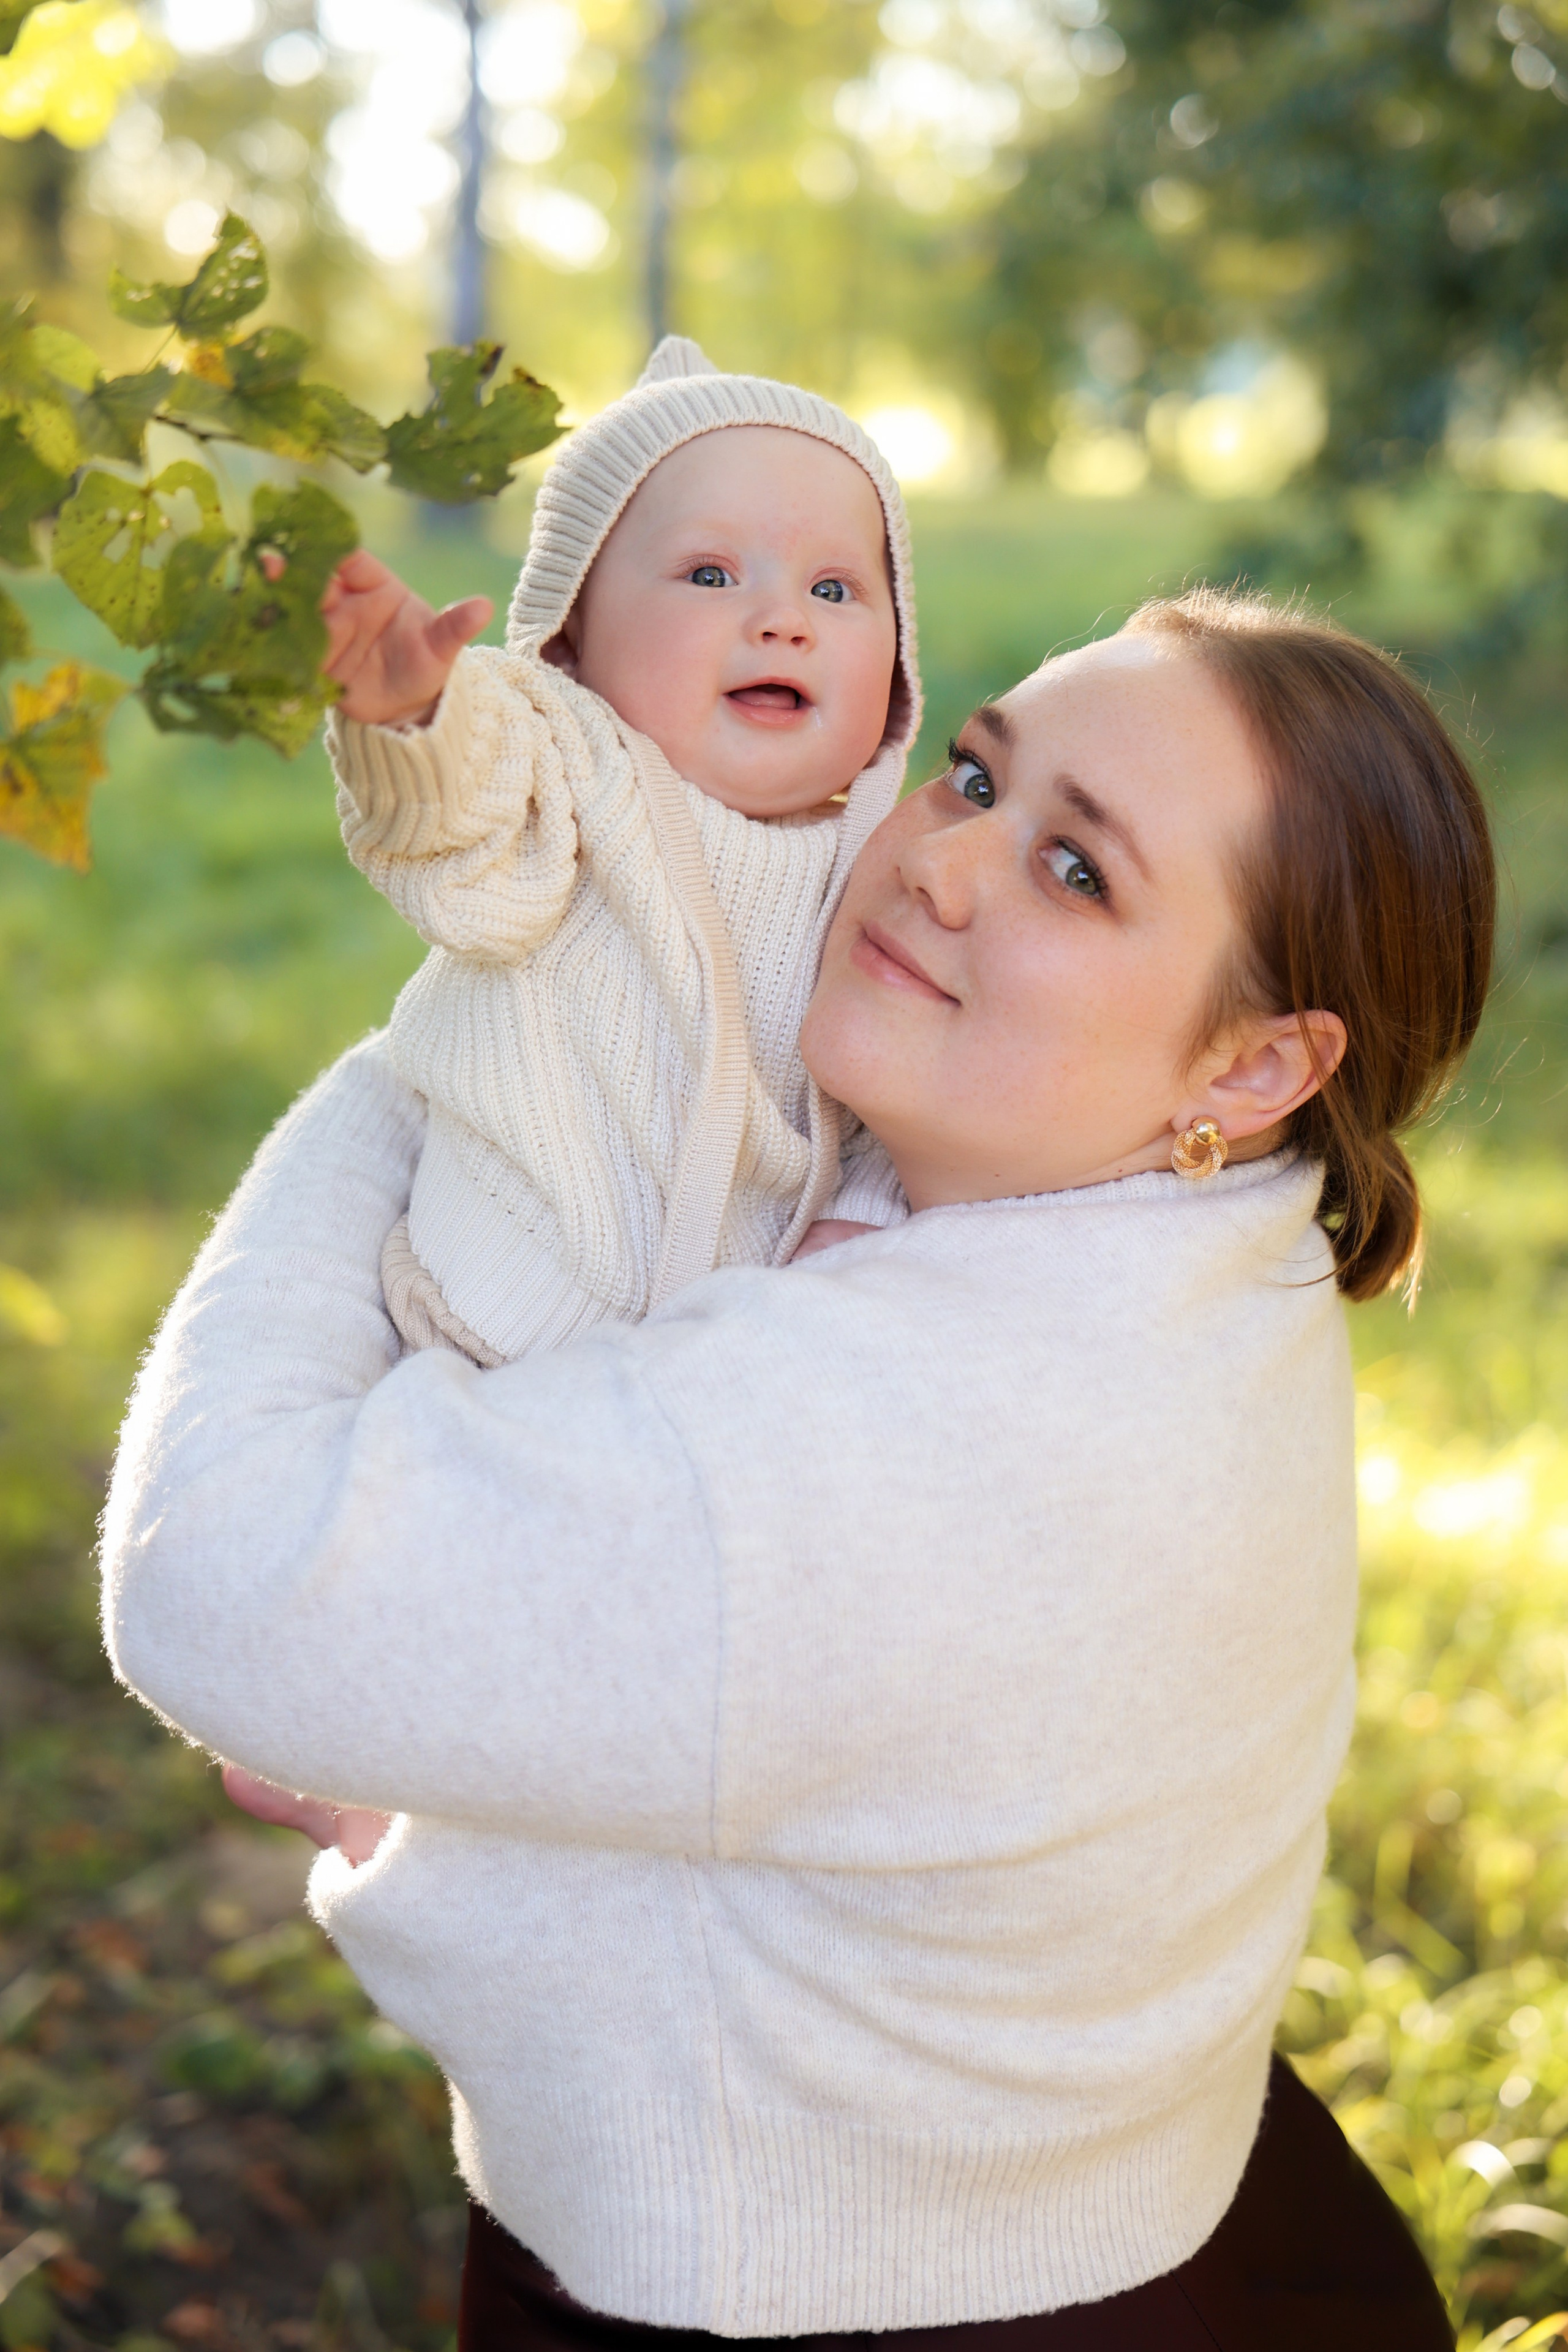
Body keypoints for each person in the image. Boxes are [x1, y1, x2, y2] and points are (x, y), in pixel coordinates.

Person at [102, 588, 1491, 2350]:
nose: (949, 865)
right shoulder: (1214, 1247)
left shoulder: (889, 1425)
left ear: (1257, 1060)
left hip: (847, 2301)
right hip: (1154, 2207)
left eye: (1083, 875)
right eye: (979, 775)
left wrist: (429, 1065)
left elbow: (215, 1569)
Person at [324, 334, 918, 1381]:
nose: (783, 621)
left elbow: (919, 1090)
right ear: (572, 639)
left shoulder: (886, 862)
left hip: (737, 1361)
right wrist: (417, 716)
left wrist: (868, 1217)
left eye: (835, 591)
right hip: (495, 1323)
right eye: (710, 573)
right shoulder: (565, 763)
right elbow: (458, 823)